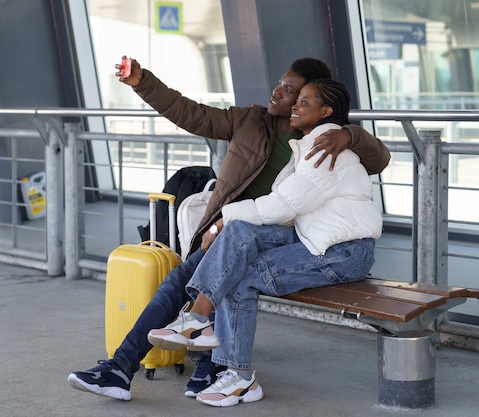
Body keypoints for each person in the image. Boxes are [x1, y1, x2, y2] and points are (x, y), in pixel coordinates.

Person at [67, 58, 390, 401]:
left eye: (293, 93)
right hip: (240, 228)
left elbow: (379, 159)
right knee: (182, 279)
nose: (281, 95)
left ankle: (210, 363)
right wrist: (142, 81)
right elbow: (192, 113)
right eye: (282, 87)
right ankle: (126, 366)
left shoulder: (320, 141)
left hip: (283, 234)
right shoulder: (251, 120)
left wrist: (349, 133)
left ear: (315, 105)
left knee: (221, 271)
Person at [147, 78, 382, 407]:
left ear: (326, 111)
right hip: (314, 236)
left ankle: (237, 373)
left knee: (242, 276)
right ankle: (200, 322)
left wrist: (223, 217)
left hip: (343, 252)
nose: (295, 107)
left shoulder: (324, 151)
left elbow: (283, 206)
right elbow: (284, 207)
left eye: (305, 102)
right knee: (241, 232)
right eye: (297, 100)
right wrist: (231, 223)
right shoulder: (310, 146)